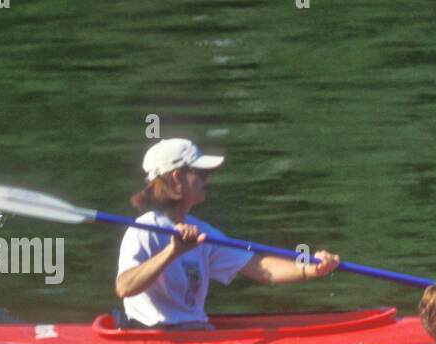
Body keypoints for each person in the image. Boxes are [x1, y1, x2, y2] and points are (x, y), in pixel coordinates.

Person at [114, 138, 341, 329]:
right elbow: (124, 287)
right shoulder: (144, 229)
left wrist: (312, 268)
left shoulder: (203, 232)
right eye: (200, 173)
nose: (207, 179)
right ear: (176, 178)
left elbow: (263, 269)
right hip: (155, 336)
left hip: (195, 331)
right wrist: (172, 252)